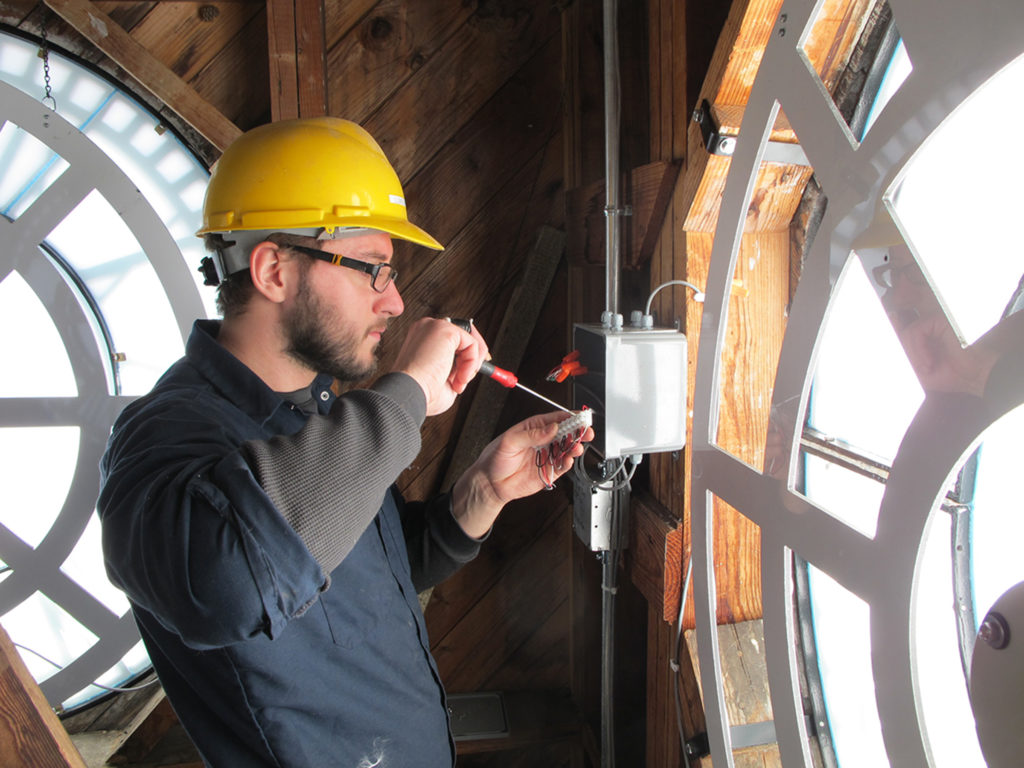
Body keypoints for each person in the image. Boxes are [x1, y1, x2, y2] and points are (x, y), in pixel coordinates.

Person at [97, 117, 591, 767]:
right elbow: (236, 578)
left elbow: (363, 576)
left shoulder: (317, 413)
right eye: (373, 271)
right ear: (274, 269)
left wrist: (485, 490)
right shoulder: (162, 439)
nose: (393, 303)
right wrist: (407, 392)